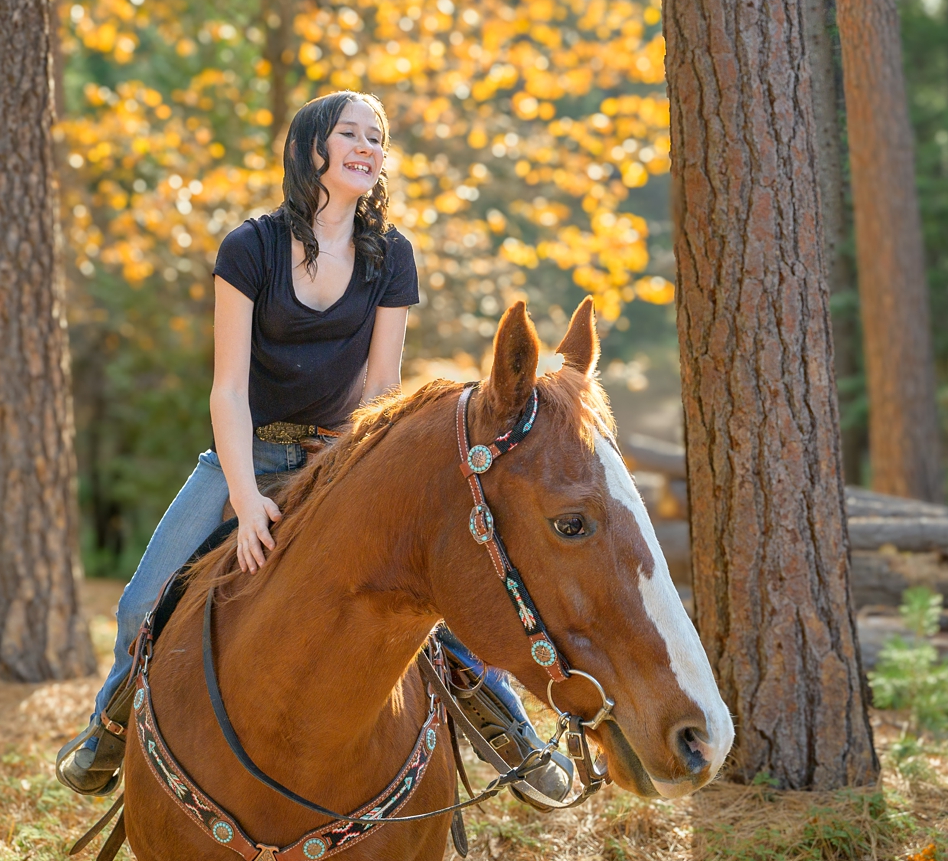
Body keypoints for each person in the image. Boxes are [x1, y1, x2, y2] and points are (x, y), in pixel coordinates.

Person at [57, 90, 574, 808]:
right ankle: (105, 736)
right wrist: (245, 497)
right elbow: (228, 391)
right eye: (351, 133)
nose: (368, 146)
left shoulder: (392, 256)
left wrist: (349, 482)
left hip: (343, 456)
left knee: (435, 589)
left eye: (378, 137)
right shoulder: (250, 247)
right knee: (145, 597)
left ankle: (514, 739)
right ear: (312, 150)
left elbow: (382, 385)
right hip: (248, 453)